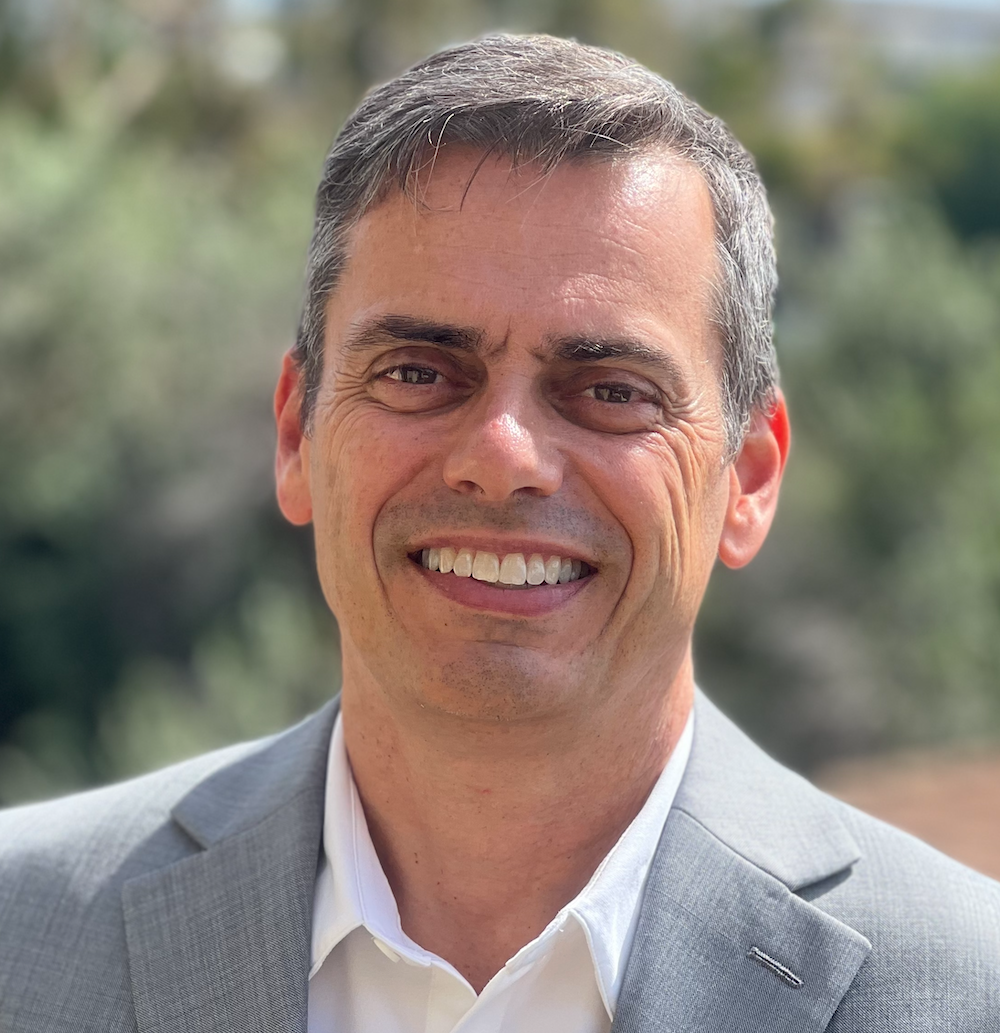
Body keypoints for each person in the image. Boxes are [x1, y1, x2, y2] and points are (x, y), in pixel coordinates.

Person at [1, 32, 998, 1033]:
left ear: (748, 475)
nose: (503, 454)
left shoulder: (965, 992)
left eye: (611, 390)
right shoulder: (20, 939)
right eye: (418, 373)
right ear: (298, 433)